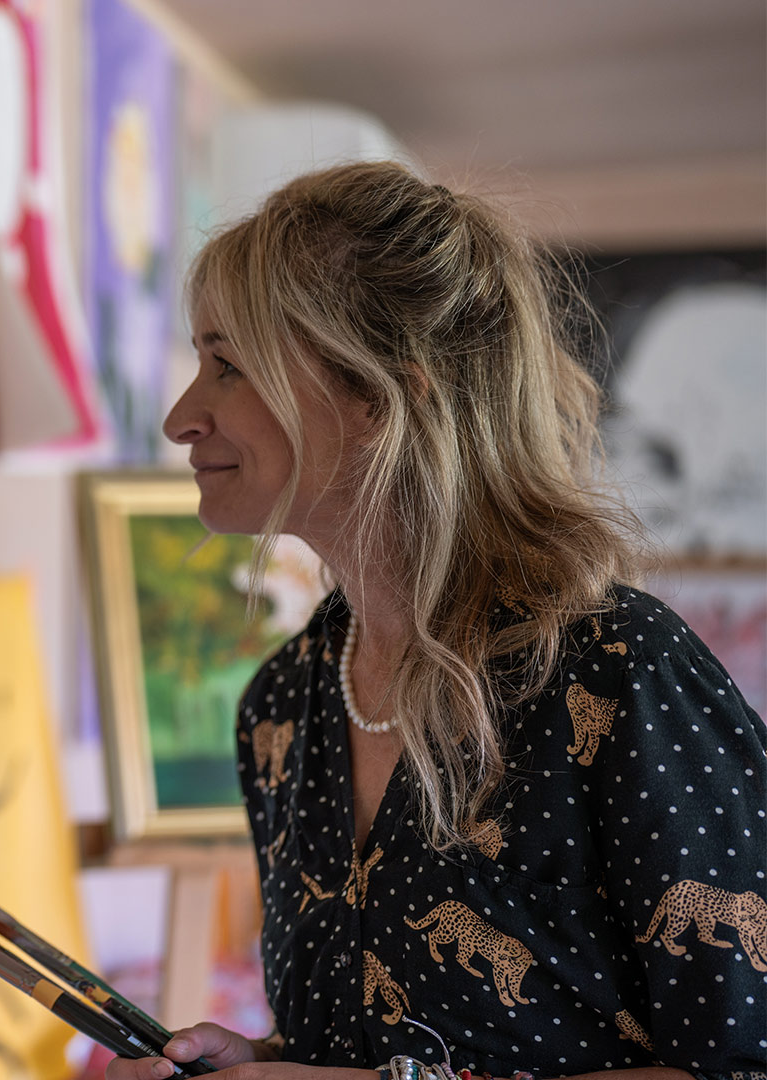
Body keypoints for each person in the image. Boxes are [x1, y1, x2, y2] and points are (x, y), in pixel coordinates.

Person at [106, 162, 767, 1080]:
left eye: (229, 365)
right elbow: (397, 1041)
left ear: (381, 398)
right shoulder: (282, 707)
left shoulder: (619, 670)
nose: (182, 417)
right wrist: (257, 1060)